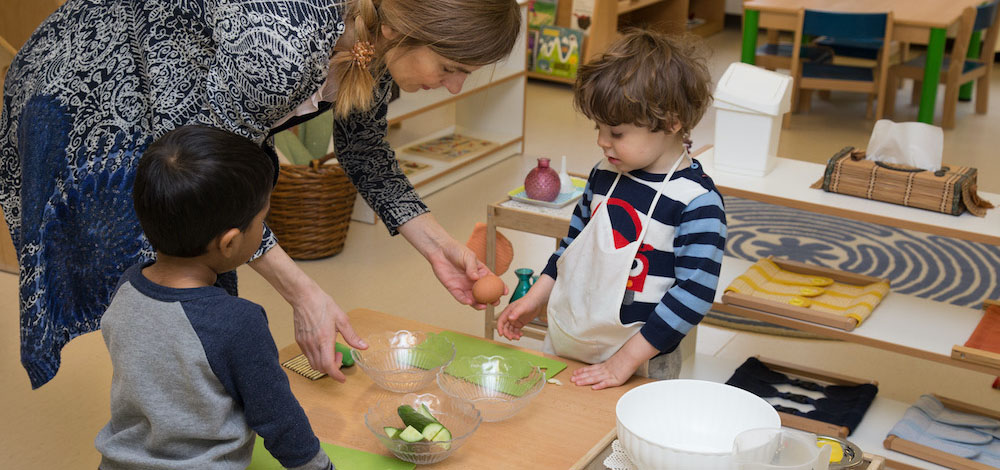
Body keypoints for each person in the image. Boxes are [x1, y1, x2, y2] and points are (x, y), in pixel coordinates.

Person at [0, 0, 520, 388]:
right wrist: (304, 292)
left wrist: (438, 246)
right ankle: (160, 431)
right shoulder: (285, 41)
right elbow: (209, 179)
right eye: (451, 68)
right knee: (166, 283)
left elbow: (364, 150)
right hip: (93, 81)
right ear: (402, 29)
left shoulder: (374, 43)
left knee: (194, 295)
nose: (454, 87)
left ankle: (182, 417)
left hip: (181, 120)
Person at [496, 30, 726, 390]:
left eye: (616, 133)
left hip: (644, 359)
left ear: (671, 122)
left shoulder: (696, 202)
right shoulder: (604, 175)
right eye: (598, 128)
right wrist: (535, 299)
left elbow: (693, 295)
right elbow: (570, 249)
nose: (602, 142)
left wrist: (624, 360)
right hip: (571, 337)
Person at [95, 126, 331, 470]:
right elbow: (278, 418)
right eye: (261, 222)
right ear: (229, 243)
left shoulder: (127, 288)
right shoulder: (238, 321)